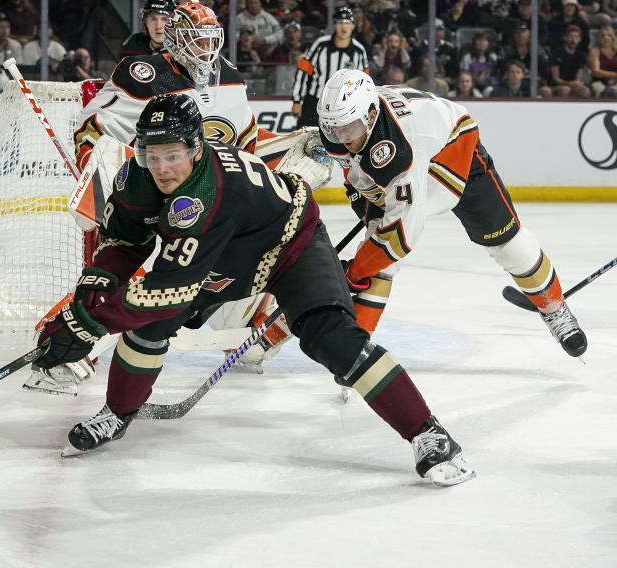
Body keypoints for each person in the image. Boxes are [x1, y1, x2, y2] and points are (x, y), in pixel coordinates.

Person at [35, 93, 475, 487]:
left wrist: (87, 325)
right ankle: (117, 412)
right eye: (153, 154)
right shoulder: (137, 176)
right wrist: (94, 292)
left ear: (195, 148)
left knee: (333, 338)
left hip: (290, 245)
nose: (162, 168)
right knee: (149, 327)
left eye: (173, 155)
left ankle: (428, 432)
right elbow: (124, 240)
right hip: (222, 258)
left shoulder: (206, 192)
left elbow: (170, 289)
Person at [27, 1, 330, 395]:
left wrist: (294, 145)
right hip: (154, 198)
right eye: (196, 40)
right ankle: (74, 348)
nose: (205, 50)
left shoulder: (231, 77)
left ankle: (253, 329)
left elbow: (247, 145)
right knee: (128, 273)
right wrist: (113, 180)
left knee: (248, 259)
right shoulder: (143, 74)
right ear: (175, 37)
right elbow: (92, 131)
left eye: (210, 41)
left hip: (208, 206)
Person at [316, 69, 586, 358]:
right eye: (335, 128)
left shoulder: (400, 147)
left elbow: (403, 236)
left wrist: (355, 271)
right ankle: (355, 350)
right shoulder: (350, 124)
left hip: (452, 152)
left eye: (349, 128)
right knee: (375, 252)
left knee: (510, 245)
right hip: (403, 160)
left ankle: (555, 309)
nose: (342, 137)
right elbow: (353, 166)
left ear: (371, 115)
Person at [291, 5, 368, 128]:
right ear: (335, 25)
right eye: (340, 23)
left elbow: (364, 83)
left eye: (347, 23)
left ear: (353, 26)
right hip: (314, 102)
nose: (344, 27)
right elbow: (303, 71)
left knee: (338, 144)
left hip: (343, 106)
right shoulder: (320, 45)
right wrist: (296, 101)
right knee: (304, 139)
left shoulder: (359, 51)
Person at [549, 25, 592, 97]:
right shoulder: (557, 53)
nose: (573, 40)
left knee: (585, 91)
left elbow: (579, 75)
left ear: (580, 39)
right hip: (556, 85)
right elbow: (555, 79)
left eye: (576, 37)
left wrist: (576, 83)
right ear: (565, 38)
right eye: (571, 36)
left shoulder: (581, 56)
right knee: (565, 90)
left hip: (572, 85)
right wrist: (570, 83)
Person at [587, 25, 617, 97]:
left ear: (612, 37)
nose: (606, 38)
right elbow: (596, 71)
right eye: (602, 35)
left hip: (616, 81)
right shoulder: (594, 51)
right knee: (606, 92)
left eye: (609, 35)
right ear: (598, 39)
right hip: (599, 82)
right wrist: (614, 75)